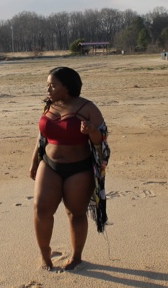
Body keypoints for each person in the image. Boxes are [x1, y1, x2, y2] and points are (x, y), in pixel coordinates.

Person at [29, 66, 110, 271]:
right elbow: (41, 136)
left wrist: (91, 130)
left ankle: (76, 257)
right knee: (41, 208)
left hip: (79, 169)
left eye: (52, 85)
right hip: (49, 164)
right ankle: (45, 256)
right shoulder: (50, 105)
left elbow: (101, 141)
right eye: (47, 85)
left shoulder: (88, 108)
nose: (48, 89)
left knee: (75, 213)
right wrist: (34, 162)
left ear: (66, 86)